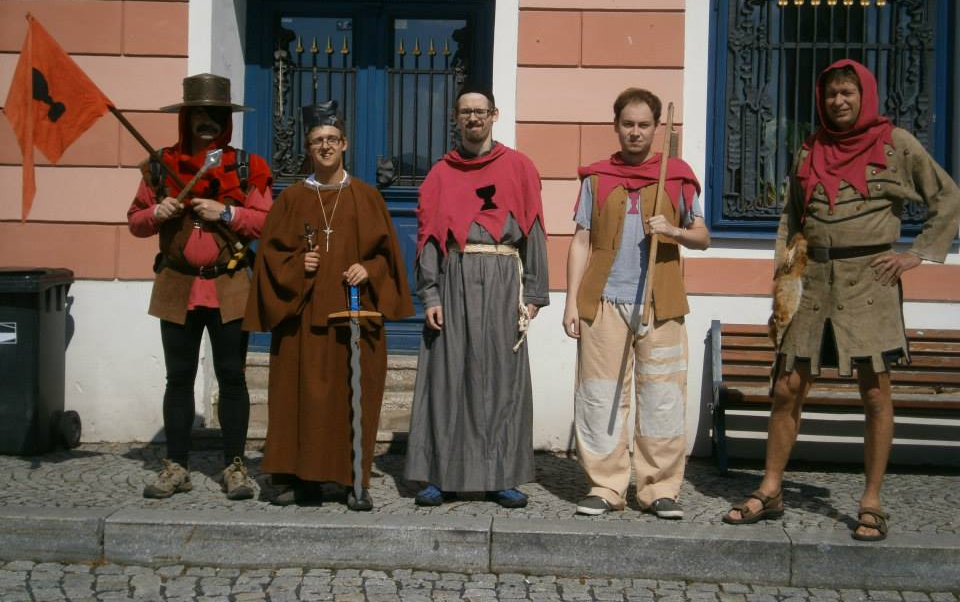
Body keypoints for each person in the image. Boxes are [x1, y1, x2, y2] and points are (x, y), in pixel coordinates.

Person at [722, 59, 960, 541]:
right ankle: (770, 488)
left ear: (864, 95)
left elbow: (947, 196)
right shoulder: (811, 149)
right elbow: (791, 219)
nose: (839, 101)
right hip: (812, 281)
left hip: (870, 281)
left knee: (874, 392)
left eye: (848, 92)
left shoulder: (896, 144)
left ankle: (871, 501)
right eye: (831, 94)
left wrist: (916, 255)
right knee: (787, 387)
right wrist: (783, 284)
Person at [244, 101, 413, 510]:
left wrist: (368, 268)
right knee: (303, 400)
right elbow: (268, 259)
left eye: (332, 139)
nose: (325, 146)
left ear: (345, 144)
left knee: (353, 397)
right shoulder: (290, 199)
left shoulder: (367, 197)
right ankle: (305, 481)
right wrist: (296, 264)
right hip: (302, 322)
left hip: (355, 318)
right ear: (307, 147)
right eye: (317, 140)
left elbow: (389, 258)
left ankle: (354, 480)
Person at [563, 88, 709, 519]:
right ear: (616, 125)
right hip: (603, 302)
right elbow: (581, 241)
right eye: (627, 123)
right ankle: (606, 486)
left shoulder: (677, 177)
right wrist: (571, 303)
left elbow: (702, 237)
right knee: (599, 396)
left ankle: (658, 488)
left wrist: (675, 231)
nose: (635, 132)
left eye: (644, 125)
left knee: (663, 398)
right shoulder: (596, 179)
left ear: (657, 127)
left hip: (661, 304)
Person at [127, 73, 272, 500]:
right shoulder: (160, 166)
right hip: (176, 285)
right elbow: (135, 221)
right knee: (178, 378)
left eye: (217, 114)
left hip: (230, 284)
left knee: (232, 378)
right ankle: (176, 466)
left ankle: (235, 466)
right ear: (186, 117)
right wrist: (157, 212)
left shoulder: (246, 167)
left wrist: (226, 213)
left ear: (226, 120)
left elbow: (267, 222)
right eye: (200, 113)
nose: (208, 121)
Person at [404, 85, 549, 508]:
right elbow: (429, 238)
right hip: (455, 277)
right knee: (448, 377)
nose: (473, 118)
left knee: (501, 380)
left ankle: (500, 476)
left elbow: (534, 229)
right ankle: (442, 475)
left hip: (504, 279)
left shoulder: (519, 167)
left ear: (494, 115)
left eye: (480, 111)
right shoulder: (440, 174)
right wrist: (430, 295)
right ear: (456, 118)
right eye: (465, 112)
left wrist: (534, 291)